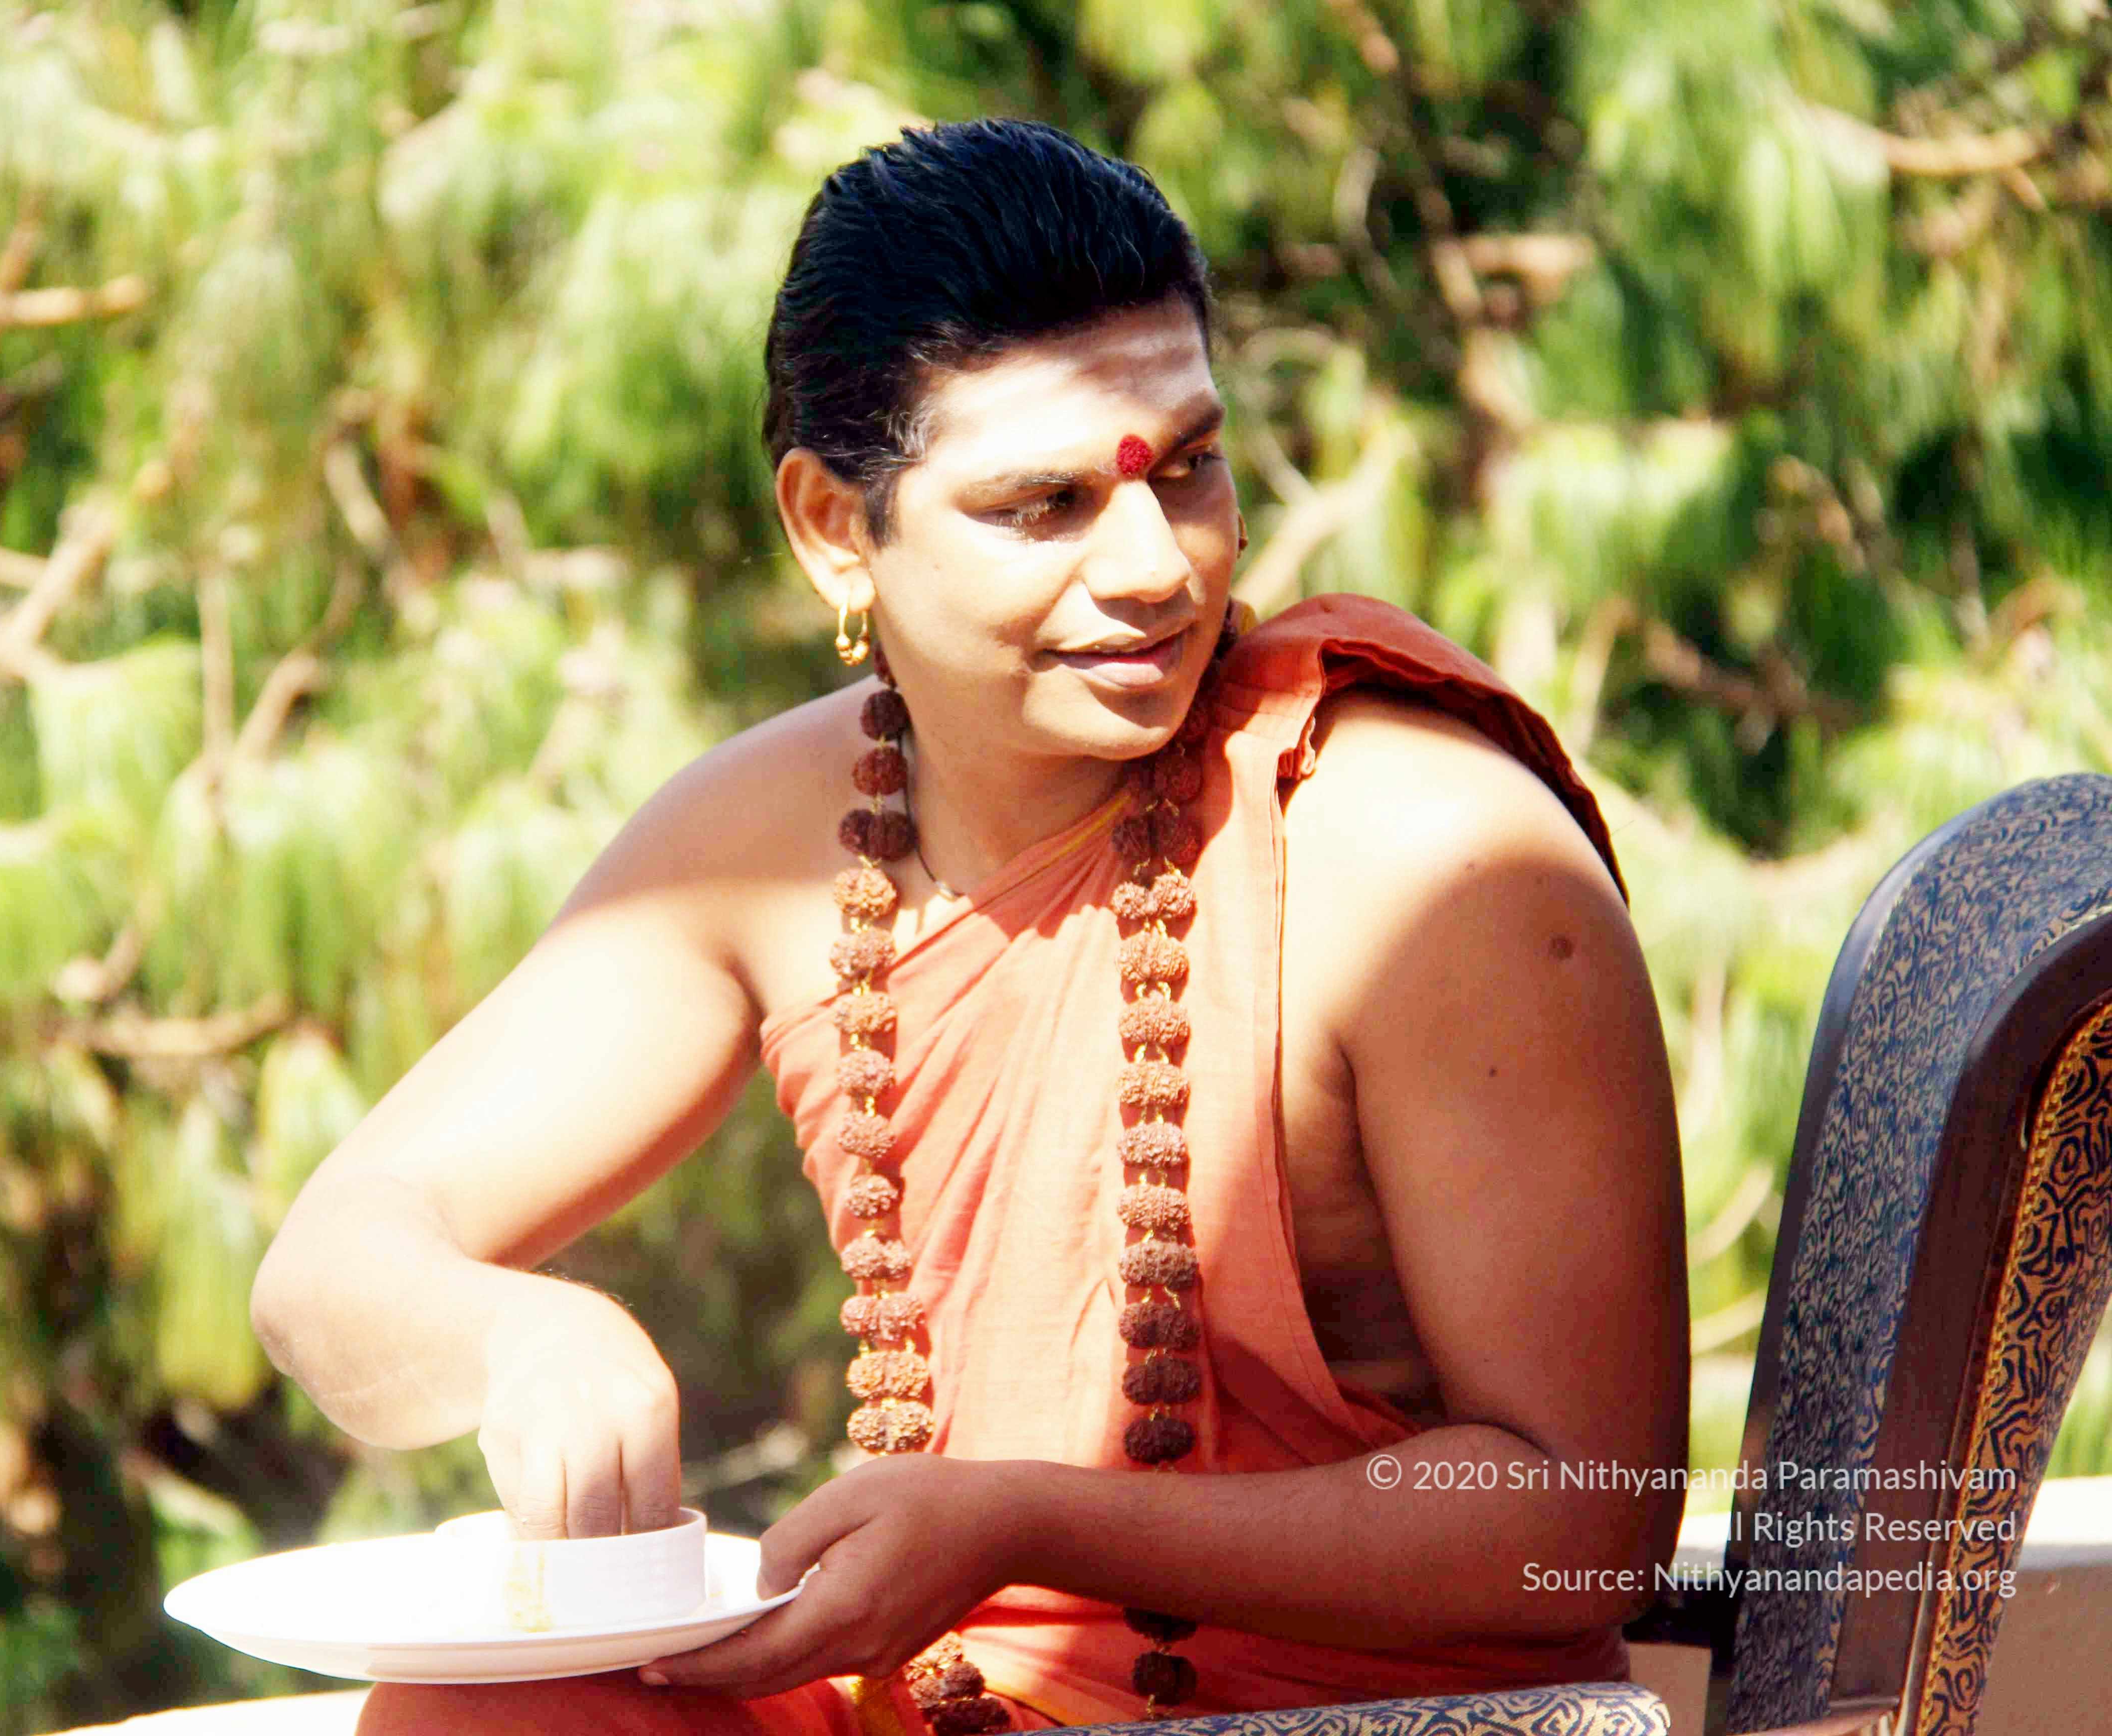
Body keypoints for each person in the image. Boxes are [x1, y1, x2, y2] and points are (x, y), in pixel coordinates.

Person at [249, 117, 1688, 1735]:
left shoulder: (1429, 854)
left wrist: (1026, 1526)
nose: (1156, 566)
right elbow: (330, 1268)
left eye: (1189, 467)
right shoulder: (780, 834)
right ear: (830, 528)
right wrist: (519, 1337)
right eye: (1044, 505)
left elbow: (1589, 1524)